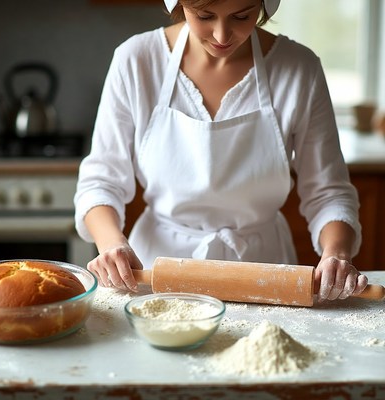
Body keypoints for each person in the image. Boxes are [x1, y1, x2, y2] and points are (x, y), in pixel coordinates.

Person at [74, 0, 368, 302]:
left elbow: (329, 192)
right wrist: (111, 245)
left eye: (242, 16)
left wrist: (337, 254)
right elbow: (101, 181)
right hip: (154, 271)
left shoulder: (299, 69)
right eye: (205, 16)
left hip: (262, 271)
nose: (222, 35)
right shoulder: (136, 61)